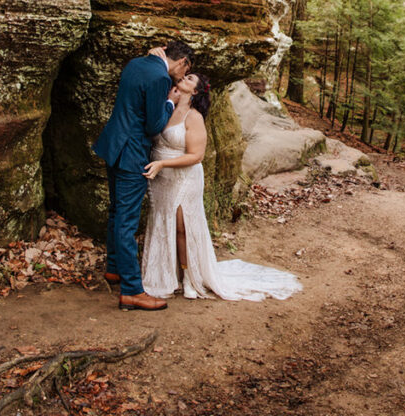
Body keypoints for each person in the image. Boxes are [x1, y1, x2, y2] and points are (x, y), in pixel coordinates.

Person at [141, 73, 302, 301]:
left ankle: (190, 276)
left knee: (182, 227)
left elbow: (196, 156)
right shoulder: (167, 107)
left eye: (189, 79)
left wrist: (163, 163)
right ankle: (168, 275)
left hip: (184, 177)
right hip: (161, 178)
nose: (183, 79)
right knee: (162, 223)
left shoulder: (193, 117)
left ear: (195, 92)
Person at [92, 40, 195, 311]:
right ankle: (132, 291)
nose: (183, 77)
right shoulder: (161, 78)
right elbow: (153, 125)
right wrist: (170, 104)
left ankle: (115, 268)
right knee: (126, 221)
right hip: (132, 153)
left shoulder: (136, 63)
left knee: (116, 212)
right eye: (186, 70)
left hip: (113, 145)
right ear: (182, 61)